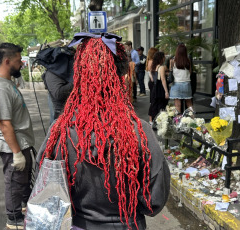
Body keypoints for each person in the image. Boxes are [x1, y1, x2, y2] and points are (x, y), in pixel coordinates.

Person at [37, 35, 170, 230]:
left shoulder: (60, 131)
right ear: (122, 77)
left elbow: (46, 192)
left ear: (78, 75)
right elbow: (154, 199)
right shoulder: (139, 130)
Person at [0, 43, 35, 229]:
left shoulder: (5, 82)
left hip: (20, 143)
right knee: (14, 182)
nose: (21, 63)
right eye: (18, 60)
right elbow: (4, 123)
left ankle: (22, 209)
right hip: (12, 146)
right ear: (7, 61)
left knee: (21, 181)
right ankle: (13, 219)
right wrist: (17, 153)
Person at [169, 43, 193, 114]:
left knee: (177, 106)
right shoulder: (188, 61)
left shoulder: (172, 61)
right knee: (189, 104)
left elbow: (171, 72)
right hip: (187, 84)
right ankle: (193, 119)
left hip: (176, 84)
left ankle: (178, 122)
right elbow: (190, 72)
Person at [148, 51, 169, 122]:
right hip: (160, 88)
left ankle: (151, 121)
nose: (165, 58)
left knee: (154, 104)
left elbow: (152, 79)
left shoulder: (153, 67)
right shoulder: (161, 67)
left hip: (154, 87)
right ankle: (160, 121)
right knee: (161, 105)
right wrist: (166, 91)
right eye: (164, 57)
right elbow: (163, 79)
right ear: (161, 58)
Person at [145, 47, 158, 125]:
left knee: (153, 101)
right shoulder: (152, 61)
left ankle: (152, 119)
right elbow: (152, 73)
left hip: (152, 82)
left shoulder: (150, 61)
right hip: (153, 82)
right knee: (153, 101)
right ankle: (151, 120)